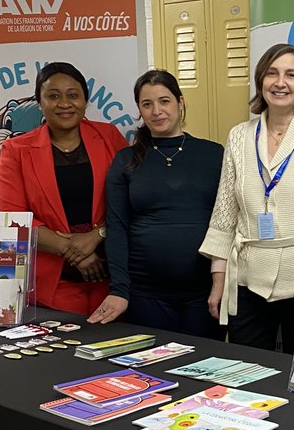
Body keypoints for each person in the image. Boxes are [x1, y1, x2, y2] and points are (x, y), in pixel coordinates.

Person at [200, 43, 294, 351]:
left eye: (290, 74)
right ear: (261, 81)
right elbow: (224, 215)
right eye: (272, 73)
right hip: (248, 280)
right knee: (248, 371)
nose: (280, 82)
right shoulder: (239, 136)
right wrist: (218, 281)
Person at [87, 70, 224, 337]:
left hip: (205, 293)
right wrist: (119, 290)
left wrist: (222, 282)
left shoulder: (214, 154)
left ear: (180, 102)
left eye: (164, 101)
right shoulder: (125, 160)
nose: (156, 111)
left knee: (204, 372)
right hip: (145, 295)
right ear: (139, 109)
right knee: (152, 374)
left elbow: (228, 222)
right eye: (146, 104)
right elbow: (116, 228)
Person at [0, 62, 128, 314]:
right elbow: (10, 218)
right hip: (52, 284)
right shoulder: (16, 150)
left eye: (73, 95)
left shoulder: (109, 136)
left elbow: (133, 199)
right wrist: (73, 251)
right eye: (53, 96)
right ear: (40, 101)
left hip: (112, 280)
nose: (64, 104)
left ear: (85, 101)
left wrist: (96, 236)